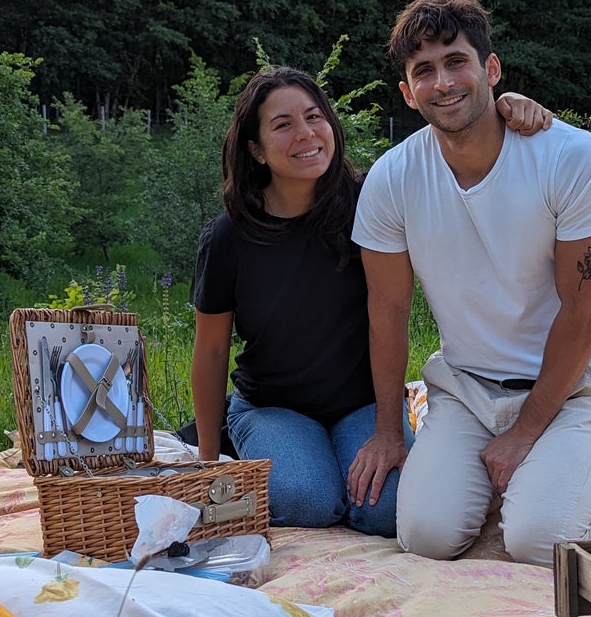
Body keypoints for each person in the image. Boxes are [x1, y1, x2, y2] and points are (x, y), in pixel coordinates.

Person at [189, 64, 551, 533]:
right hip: (274, 405)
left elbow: (451, 152)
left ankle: (326, 458)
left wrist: (505, 109)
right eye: (283, 125)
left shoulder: (373, 201)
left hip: (363, 403)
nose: (306, 134)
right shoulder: (228, 238)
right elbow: (212, 350)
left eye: (314, 117)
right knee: (309, 501)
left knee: (386, 511)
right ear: (255, 149)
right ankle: (258, 445)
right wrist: (206, 460)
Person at [348, 0, 591, 565]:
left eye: (456, 61)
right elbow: (388, 313)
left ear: (491, 69)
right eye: (423, 71)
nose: (444, 82)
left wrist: (524, 434)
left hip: (575, 386)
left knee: (538, 542)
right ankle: (533, 483)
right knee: (426, 535)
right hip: (466, 388)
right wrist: (387, 431)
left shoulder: (573, 159)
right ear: (407, 93)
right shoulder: (391, 179)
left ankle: (573, 497)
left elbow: (585, 314)